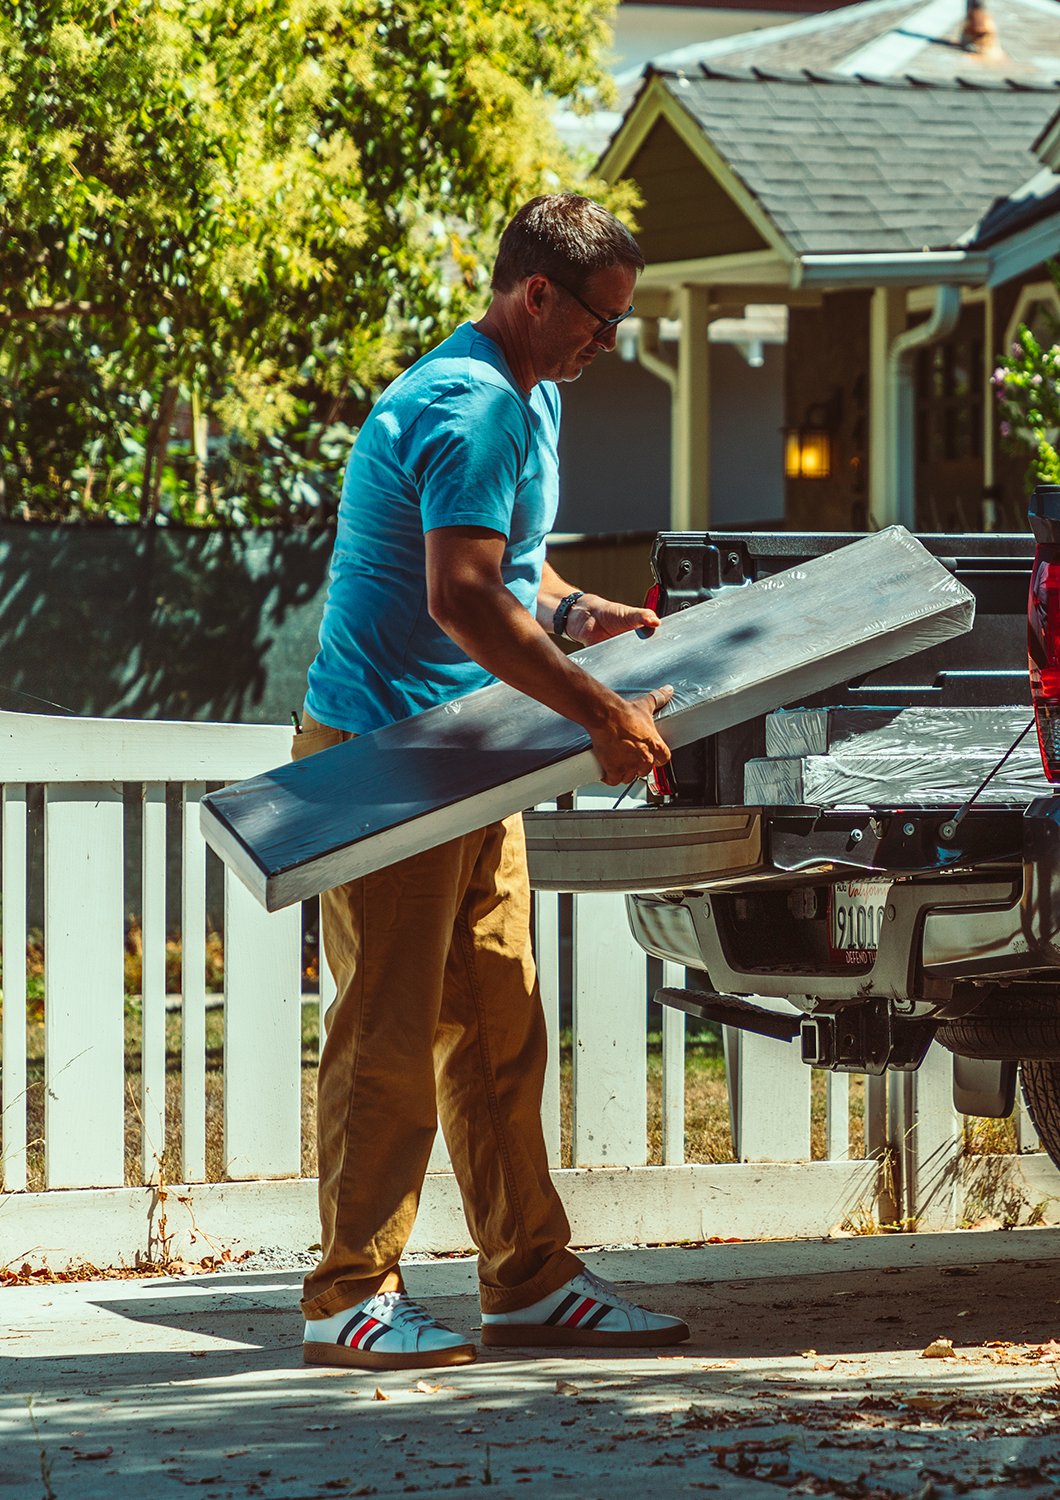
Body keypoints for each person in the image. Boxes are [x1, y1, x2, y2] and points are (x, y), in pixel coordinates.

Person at [293, 193, 687, 1371]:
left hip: (465, 755)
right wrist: (601, 711)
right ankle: (348, 1296)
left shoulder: (531, 399)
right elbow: (459, 598)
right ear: (535, 295)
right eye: (599, 321)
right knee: (389, 1039)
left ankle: (528, 1281)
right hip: (389, 759)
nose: (606, 345)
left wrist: (581, 613)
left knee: (501, 1024)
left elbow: (510, 567)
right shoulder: (471, 407)